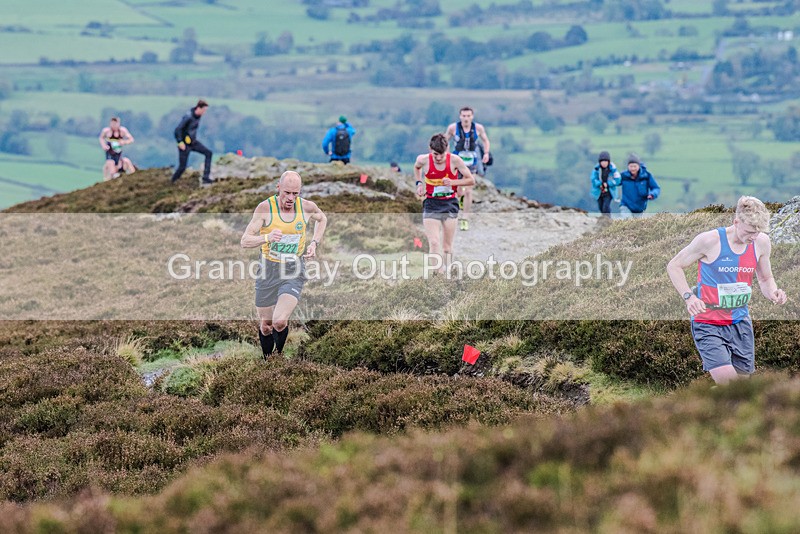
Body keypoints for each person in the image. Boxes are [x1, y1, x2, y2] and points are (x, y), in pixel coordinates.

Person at [667, 196, 787, 385]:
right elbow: (674, 266)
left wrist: (773, 292)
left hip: (740, 321)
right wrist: (689, 298)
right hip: (708, 322)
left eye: (758, 232)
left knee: (740, 389)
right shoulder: (710, 240)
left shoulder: (761, 242)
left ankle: (711, 409)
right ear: (736, 222)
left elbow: (765, 278)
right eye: (749, 231)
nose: (753, 237)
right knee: (731, 386)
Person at [240, 171, 328, 359]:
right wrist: (266, 238)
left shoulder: (306, 207)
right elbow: (245, 240)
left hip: (293, 269)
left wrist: (314, 243)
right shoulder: (265, 208)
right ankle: (266, 360)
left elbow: (322, 219)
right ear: (278, 188)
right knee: (266, 325)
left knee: (279, 321)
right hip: (268, 270)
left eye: (295, 194)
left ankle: (278, 357)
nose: (290, 198)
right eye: (287, 193)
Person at [413, 133, 476, 272]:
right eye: (436, 155)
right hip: (431, 203)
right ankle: (438, 277)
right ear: (430, 149)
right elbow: (416, 168)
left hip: (449, 204)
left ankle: (449, 273)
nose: (439, 158)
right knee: (434, 243)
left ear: (447, 150)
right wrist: (419, 184)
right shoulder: (423, 160)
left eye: (442, 154)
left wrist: (453, 182)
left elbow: (471, 180)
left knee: (447, 247)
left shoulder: (455, 160)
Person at [444, 106, 491, 231]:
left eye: (468, 116)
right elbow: (445, 140)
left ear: (472, 116)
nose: (466, 118)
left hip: (472, 161)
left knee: (469, 190)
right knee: (458, 191)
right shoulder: (453, 128)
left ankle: (465, 218)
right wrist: (445, 155)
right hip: (457, 161)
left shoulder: (478, 128)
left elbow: (486, 140)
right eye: (463, 116)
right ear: (460, 116)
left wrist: (486, 153)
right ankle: (461, 200)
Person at [171, 100, 213, 185]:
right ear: (199, 108)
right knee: (182, 167)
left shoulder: (198, 116)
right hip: (184, 145)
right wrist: (180, 142)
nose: (204, 113)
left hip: (193, 142)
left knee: (208, 153)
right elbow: (177, 130)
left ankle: (206, 177)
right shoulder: (188, 117)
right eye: (204, 110)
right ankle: (172, 182)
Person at [590, 150, 621, 216]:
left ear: (608, 162)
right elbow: (593, 179)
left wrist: (608, 184)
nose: (604, 163)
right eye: (602, 161)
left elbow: (618, 180)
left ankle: (607, 220)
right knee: (600, 207)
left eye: (605, 161)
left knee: (606, 207)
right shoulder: (596, 169)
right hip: (599, 191)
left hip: (609, 192)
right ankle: (605, 219)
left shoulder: (613, 169)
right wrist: (600, 183)